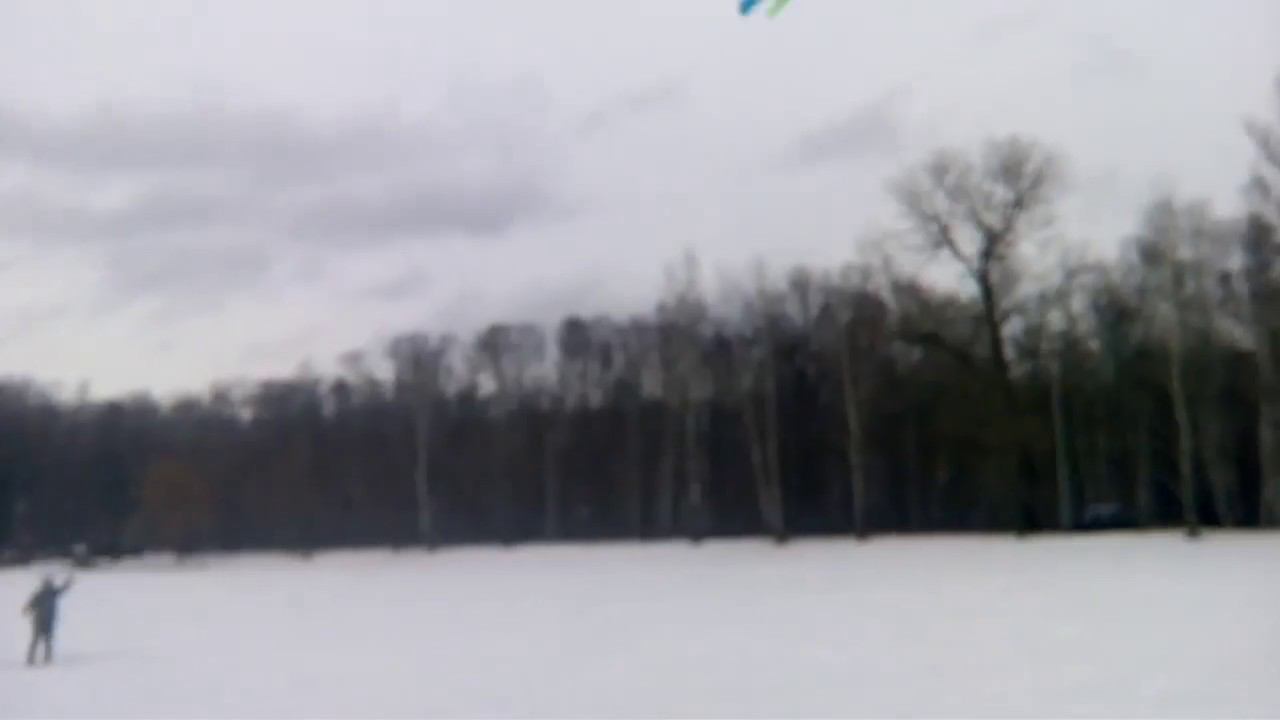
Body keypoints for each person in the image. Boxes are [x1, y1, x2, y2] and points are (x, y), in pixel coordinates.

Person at [23, 574, 73, 666]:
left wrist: (68, 583)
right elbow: (31, 604)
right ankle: (32, 659)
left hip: (47, 621)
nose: (49, 585)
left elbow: (63, 589)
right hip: (40, 621)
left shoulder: (52, 593)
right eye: (48, 584)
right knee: (38, 640)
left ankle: (46, 658)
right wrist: (27, 609)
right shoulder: (42, 594)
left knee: (46, 640)